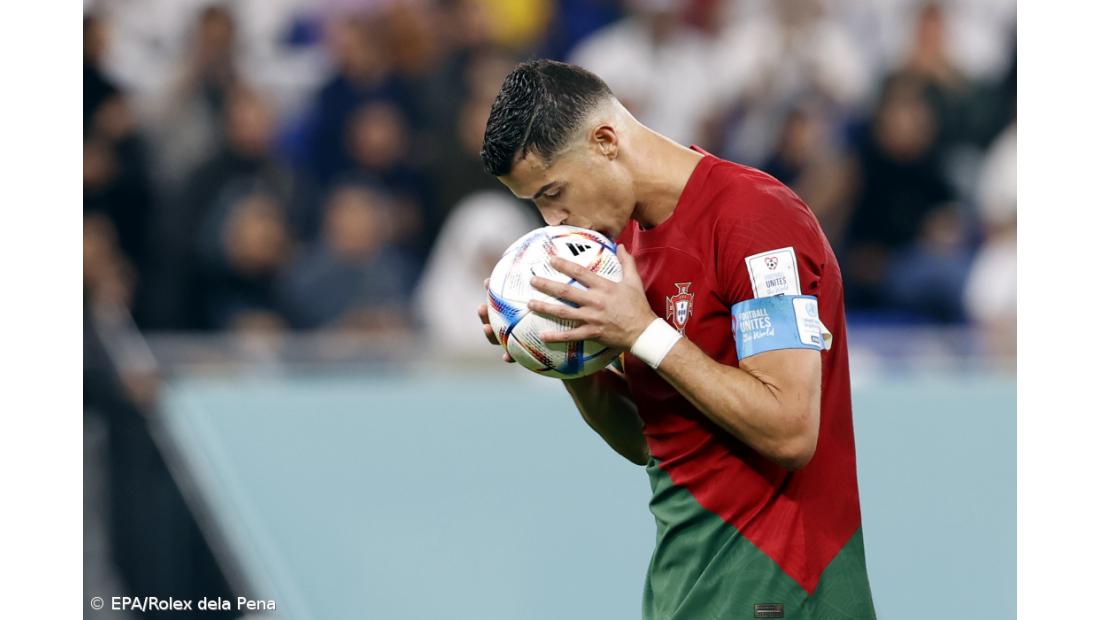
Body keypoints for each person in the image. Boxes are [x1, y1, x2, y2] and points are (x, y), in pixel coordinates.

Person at [475, 60, 876, 618]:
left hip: (779, 587)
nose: (553, 221)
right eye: (537, 205)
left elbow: (790, 430)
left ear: (606, 140)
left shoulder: (756, 221)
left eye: (553, 192)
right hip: (682, 587)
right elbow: (655, 442)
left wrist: (642, 329)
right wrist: (562, 351)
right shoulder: (621, 250)